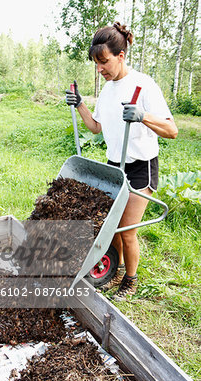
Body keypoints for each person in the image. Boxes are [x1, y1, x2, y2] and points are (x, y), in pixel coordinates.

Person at [66, 22, 178, 301]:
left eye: (103, 62)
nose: (100, 69)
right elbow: (96, 127)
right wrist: (79, 103)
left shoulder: (144, 84)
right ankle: (114, 270)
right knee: (110, 226)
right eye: (96, 63)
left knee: (127, 230)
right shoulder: (107, 90)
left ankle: (131, 281)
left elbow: (172, 130)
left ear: (121, 55)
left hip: (140, 167)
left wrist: (142, 116)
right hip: (114, 167)